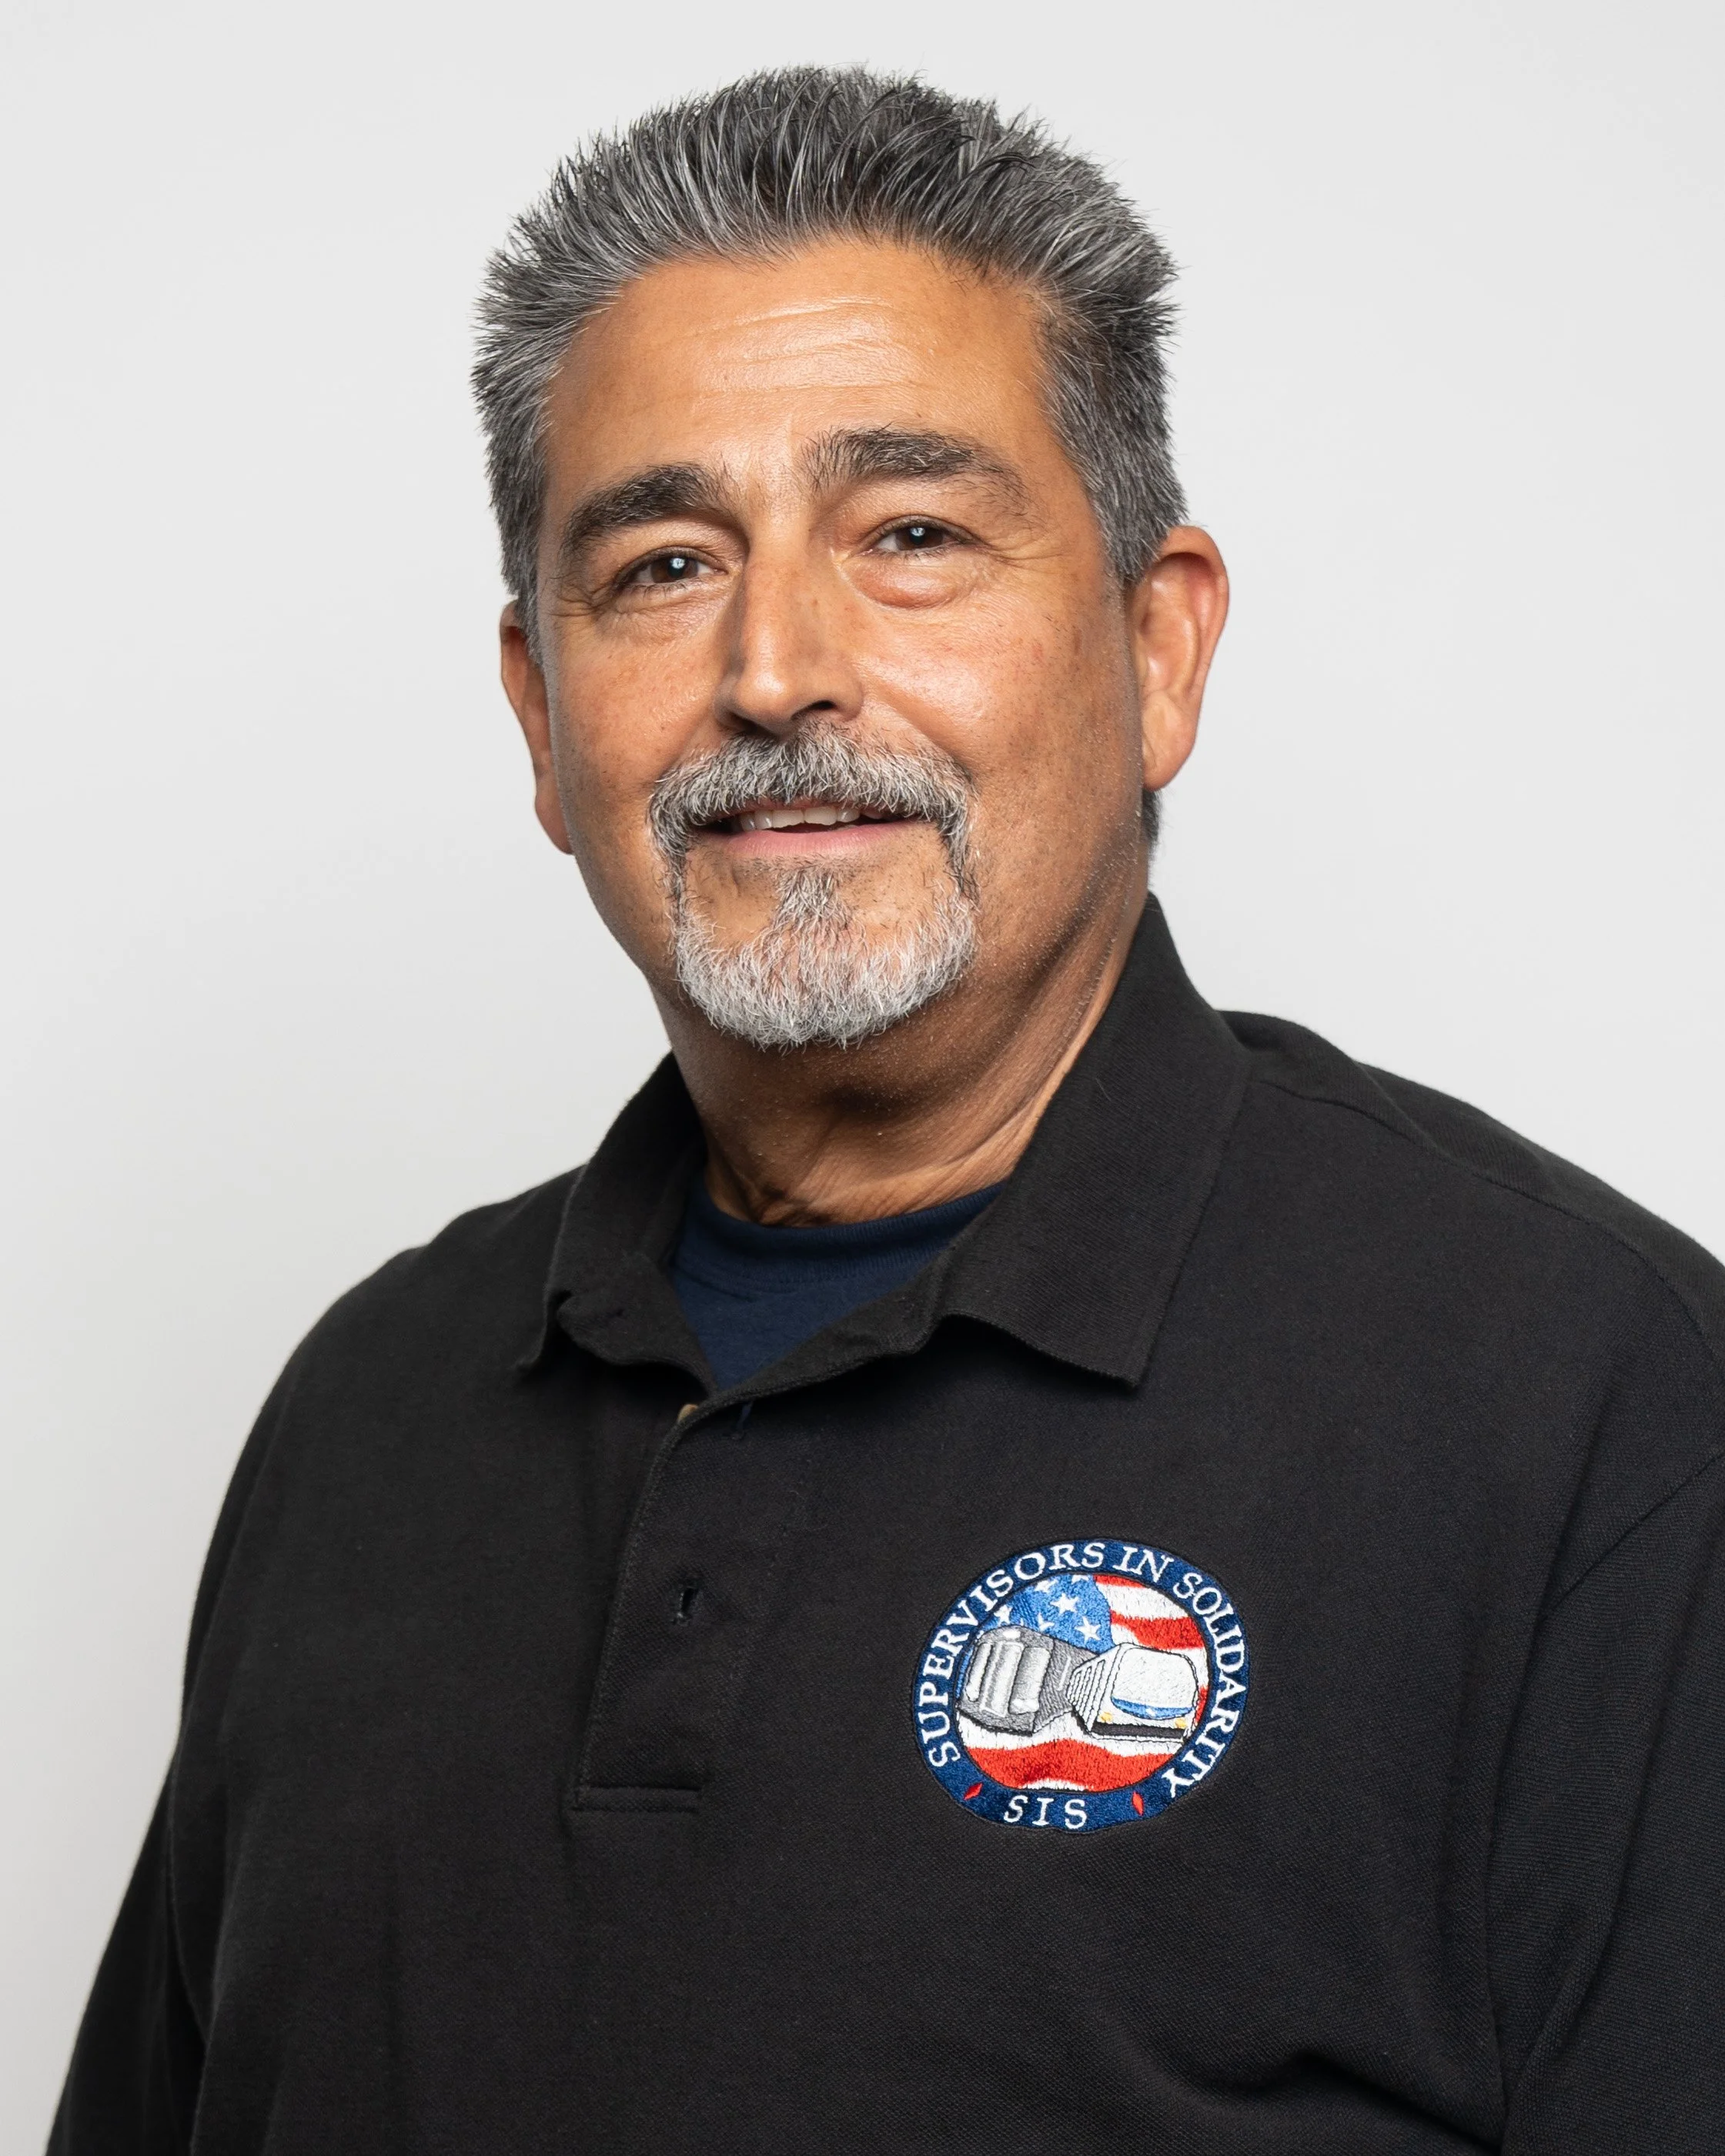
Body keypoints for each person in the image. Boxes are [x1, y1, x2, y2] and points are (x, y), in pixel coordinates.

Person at [51, 67, 1724, 2156]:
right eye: (663, 563)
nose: (776, 670)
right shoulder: (366, 1411)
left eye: (913, 535)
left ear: (1157, 646)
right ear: (542, 719)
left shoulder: (1600, 1415)